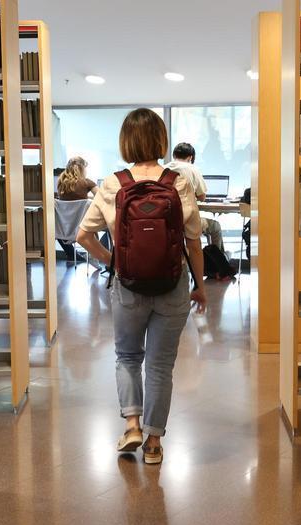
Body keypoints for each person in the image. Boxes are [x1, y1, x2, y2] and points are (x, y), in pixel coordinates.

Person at [77, 108, 206, 465]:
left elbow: (83, 236)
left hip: (129, 286)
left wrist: (112, 261)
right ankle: (153, 444)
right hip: (172, 283)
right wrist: (200, 286)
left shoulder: (112, 183)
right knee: (161, 366)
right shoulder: (177, 182)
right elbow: (193, 241)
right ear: (161, 140)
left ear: (125, 141)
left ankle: (131, 425)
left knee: (128, 356)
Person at [166, 143, 225, 252]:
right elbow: (202, 196)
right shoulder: (192, 169)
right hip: (187, 222)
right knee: (215, 227)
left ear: (174, 155)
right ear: (190, 157)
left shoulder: (164, 169)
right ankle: (218, 262)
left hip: (167, 222)